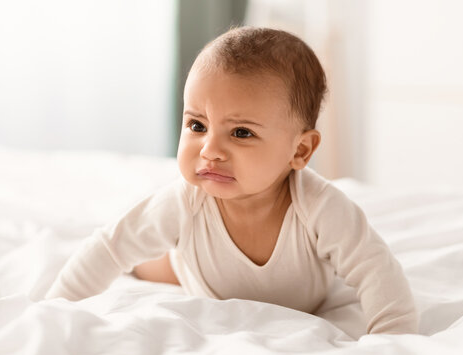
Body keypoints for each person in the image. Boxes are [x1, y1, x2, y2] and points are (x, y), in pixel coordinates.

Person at [45, 26, 419, 335]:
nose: (210, 150)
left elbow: (377, 271)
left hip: (299, 292)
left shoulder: (322, 209)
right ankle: (153, 258)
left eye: (241, 133)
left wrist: (394, 342)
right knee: (147, 258)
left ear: (301, 151)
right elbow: (109, 248)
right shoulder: (184, 202)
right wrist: (53, 311)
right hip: (193, 273)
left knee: (161, 246)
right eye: (197, 125)